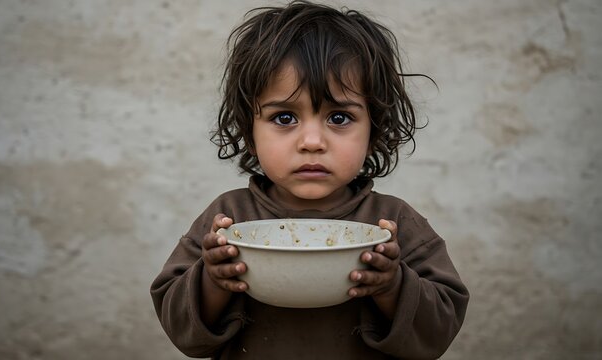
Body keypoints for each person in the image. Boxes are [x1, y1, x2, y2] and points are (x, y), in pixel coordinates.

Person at [150, 1, 469, 359]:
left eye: (339, 118)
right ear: (249, 131)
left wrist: (392, 284)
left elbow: (439, 332)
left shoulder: (392, 224)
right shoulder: (229, 220)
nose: (312, 142)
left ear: (374, 130)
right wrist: (213, 279)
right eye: (285, 118)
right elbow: (181, 331)